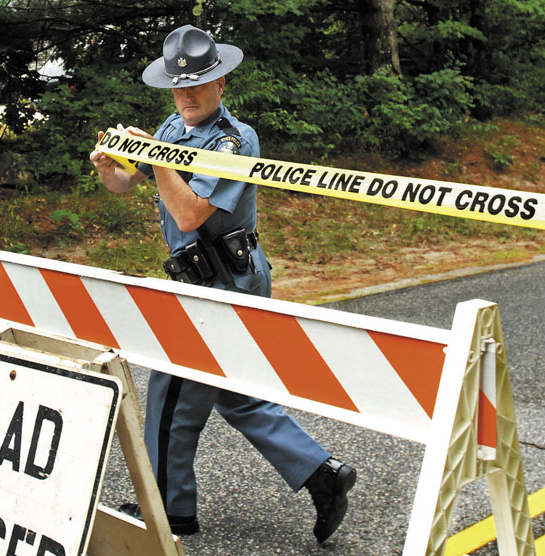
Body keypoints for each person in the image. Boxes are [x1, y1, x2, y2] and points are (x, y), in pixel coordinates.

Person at [89, 24, 356, 544]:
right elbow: (126, 183)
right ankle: (323, 474)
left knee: (170, 394)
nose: (187, 95)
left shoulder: (235, 140)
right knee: (234, 394)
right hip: (205, 277)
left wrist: (155, 160)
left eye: (198, 84)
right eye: (178, 85)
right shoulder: (171, 127)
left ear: (222, 84)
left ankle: (169, 510)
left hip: (224, 282)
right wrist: (109, 167)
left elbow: (188, 214)